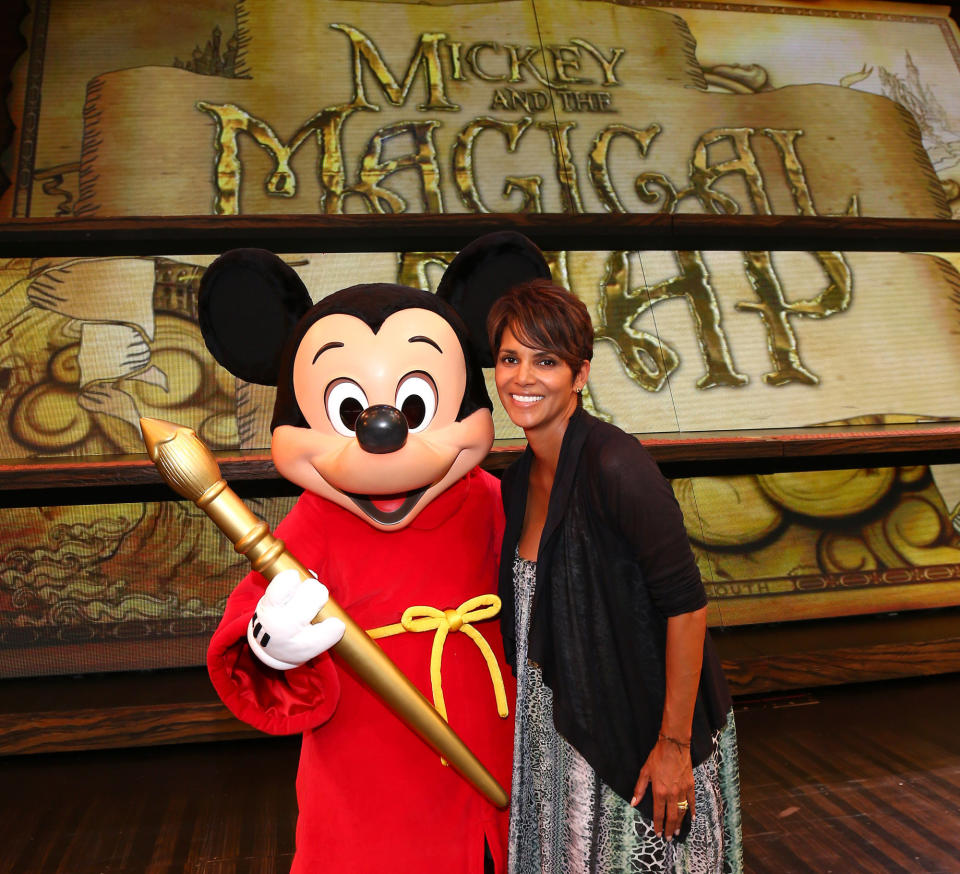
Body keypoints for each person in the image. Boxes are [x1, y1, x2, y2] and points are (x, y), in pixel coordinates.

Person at [488, 279, 742, 873]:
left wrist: (674, 748)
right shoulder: (518, 480)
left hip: (640, 738)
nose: (523, 377)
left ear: (580, 375)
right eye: (509, 358)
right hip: (556, 743)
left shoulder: (616, 465)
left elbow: (687, 607)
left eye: (545, 360)